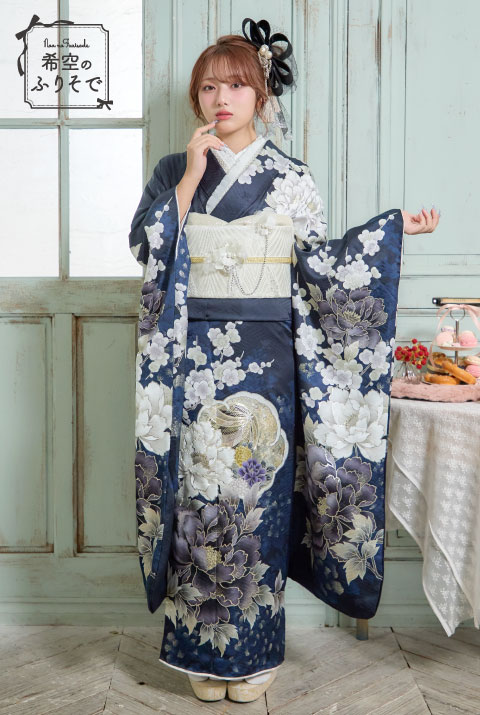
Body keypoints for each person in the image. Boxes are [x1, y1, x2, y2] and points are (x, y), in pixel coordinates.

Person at [129, 17, 440, 704]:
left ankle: (254, 654)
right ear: (197, 98)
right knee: (198, 499)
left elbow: (323, 267)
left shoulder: (292, 178)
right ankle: (201, 651)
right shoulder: (174, 170)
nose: (221, 99)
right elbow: (145, 249)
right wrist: (191, 180)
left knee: (257, 500)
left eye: (236, 86)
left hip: (267, 361)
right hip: (193, 361)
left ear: (261, 95)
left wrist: (393, 231)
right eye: (208, 87)